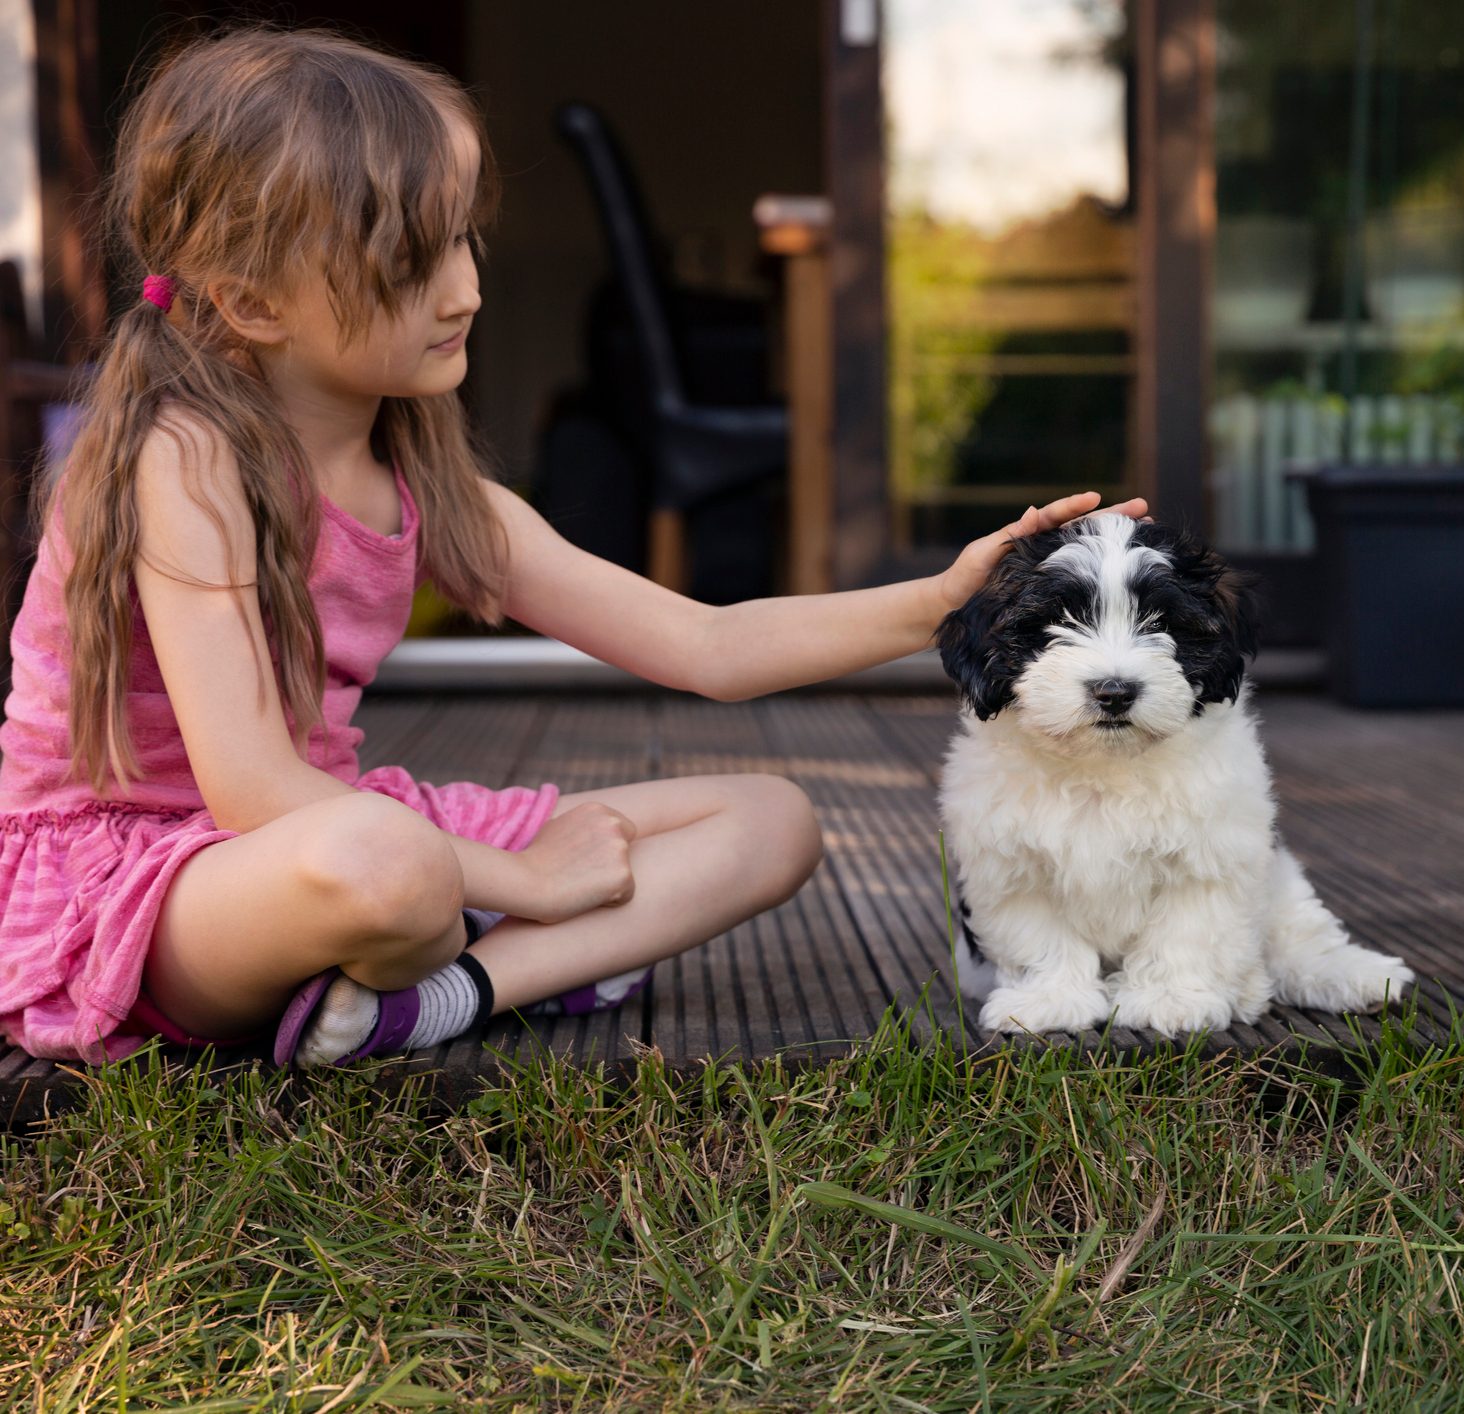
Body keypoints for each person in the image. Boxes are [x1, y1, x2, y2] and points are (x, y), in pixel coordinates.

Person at [0, 27, 1142, 1068]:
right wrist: (526, 876)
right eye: (412, 262)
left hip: (327, 838)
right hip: (150, 879)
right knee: (386, 866)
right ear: (253, 302)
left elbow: (706, 644)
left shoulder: (423, 478)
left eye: (463, 240)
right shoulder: (179, 456)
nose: (467, 288)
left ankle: (446, 994)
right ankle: (452, 932)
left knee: (771, 821)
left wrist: (945, 595)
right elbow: (249, 786)